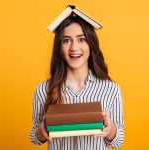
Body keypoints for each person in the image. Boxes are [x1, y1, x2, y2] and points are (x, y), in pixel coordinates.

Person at [29, 15, 124, 150]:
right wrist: (42, 130)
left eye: (81, 39)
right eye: (66, 40)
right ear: (59, 47)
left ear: (91, 44)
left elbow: (118, 141)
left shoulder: (111, 89)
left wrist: (110, 128)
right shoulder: (43, 90)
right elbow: (35, 138)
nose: (74, 47)